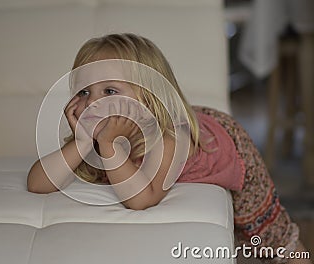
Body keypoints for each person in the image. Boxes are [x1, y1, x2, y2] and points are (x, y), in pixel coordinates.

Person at [27, 33, 311, 264]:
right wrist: (82, 143)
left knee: (272, 239)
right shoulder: (94, 136)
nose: (94, 103)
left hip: (226, 141)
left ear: (148, 98)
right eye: (84, 92)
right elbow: (37, 183)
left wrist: (109, 145)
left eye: (110, 91)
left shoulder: (168, 140)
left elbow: (142, 199)